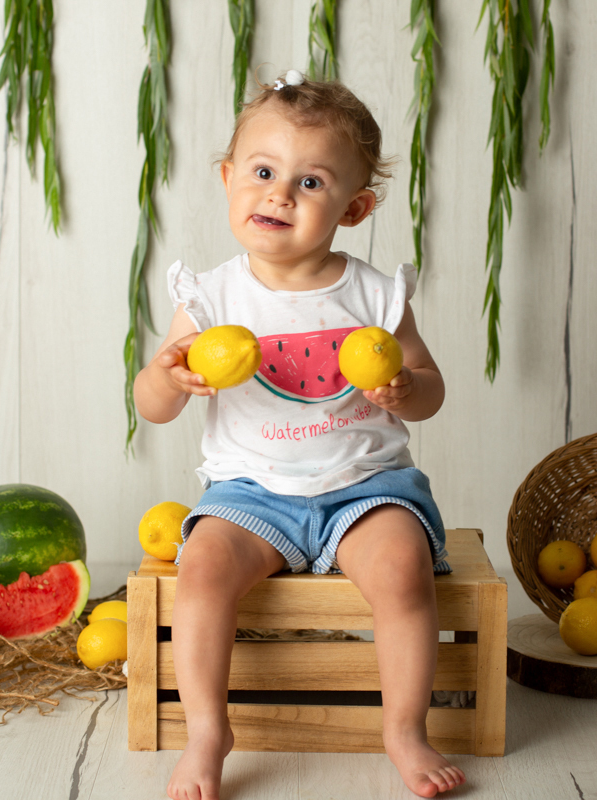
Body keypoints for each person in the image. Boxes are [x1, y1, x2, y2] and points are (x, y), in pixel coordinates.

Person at [133, 70, 465, 800]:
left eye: (311, 183)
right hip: (252, 493)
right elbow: (151, 406)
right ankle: (208, 733)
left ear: (355, 207)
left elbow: (431, 391)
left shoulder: (376, 294)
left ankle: (404, 728)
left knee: (404, 571)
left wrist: (408, 388)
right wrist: (167, 377)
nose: (280, 193)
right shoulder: (211, 297)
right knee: (203, 569)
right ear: (227, 180)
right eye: (261, 171)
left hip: (366, 489)